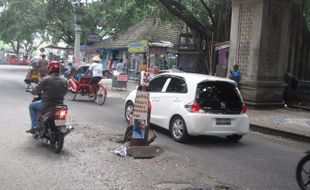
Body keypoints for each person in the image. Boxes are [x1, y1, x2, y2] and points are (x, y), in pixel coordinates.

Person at [26, 61, 68, 133]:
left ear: (50, 69)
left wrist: (32, 91)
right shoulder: (65, 80)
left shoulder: (46, 79)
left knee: (32, 106)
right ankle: (61, 125)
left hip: (46, 104)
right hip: (60, 104)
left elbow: (36, 90)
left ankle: (35, 126)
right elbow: (65, 92)